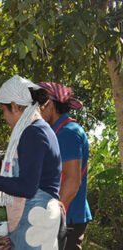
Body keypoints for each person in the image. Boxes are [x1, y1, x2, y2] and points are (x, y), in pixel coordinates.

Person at [0, 75, 66, 249]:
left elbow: (27, 187)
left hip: (36, 219)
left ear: (14, 106)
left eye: (3, 110)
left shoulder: (33, 133)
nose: (4, 117)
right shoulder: (40, 129)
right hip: (36, 219)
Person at [38, 82, 92, 250]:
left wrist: (52, 216)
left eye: (39, 105)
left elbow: (72, 180)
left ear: (51, 104)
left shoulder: (68, 132)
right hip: (65, 214)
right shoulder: (57, 131)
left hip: (68, 216)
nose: (37, 110)